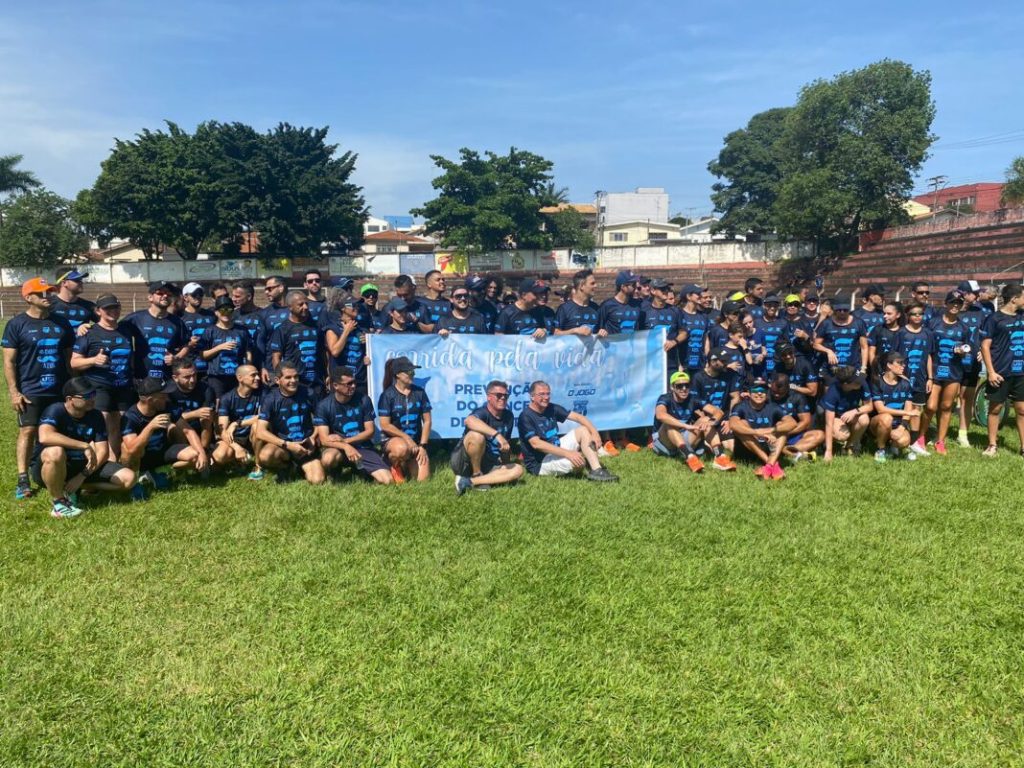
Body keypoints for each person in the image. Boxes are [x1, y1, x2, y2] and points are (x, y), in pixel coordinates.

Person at [3, 277, 75, 500]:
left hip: (59, 390)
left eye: (50, 292)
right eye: (42, 293)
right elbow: (9, 362)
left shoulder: (62, 323)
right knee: (28, 431)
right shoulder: (17, 325)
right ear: (28, 298)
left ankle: (56, 470)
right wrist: (15, 392)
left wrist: (72, 387)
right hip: (31, 390)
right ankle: (23, 478)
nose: (48, 297)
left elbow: (69, 358)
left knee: (57, 433)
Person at [31, 377, 135, 517]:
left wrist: (82, 476)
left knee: (129, 478)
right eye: (86, 396)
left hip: (80, 466)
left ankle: (74, 488)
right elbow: (45, 436)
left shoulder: (96, 415)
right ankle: (59, 503)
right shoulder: (55, 410)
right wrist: (83, 445)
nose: (92, 399)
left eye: (93, 395)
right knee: (55, 451)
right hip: (50, 466)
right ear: (70, 399)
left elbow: (103, 452)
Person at [70, 293, 134, 459]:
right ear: (98, 311)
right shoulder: (89, 332)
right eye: (107, 308)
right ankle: (93, 464)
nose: (112, 311)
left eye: (115, 307)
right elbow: (74, 362)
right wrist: (93, 360)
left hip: (123, 386)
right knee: (102, 427)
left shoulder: (126, 329)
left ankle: (112, 462)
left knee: (118, 426)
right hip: (99, 386)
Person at [517, 380, 618, 481]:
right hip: (540, 462)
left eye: (548, 394)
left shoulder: (551, 407)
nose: (546, 397)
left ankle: (597, 471)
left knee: (583, 430)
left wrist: (595, 433)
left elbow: (579, 417)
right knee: (579, 463)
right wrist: (568, 453)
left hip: (556, 448)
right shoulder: (525, 416)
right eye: (541, 394)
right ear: (532, 396)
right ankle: (585, 460)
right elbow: (536, 444)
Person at [121, 377, 206, 492]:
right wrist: (150, 427)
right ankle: (135, 483)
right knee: (126, 447)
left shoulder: (166, 406)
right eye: (162, 396)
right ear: (150, 400)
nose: (167, 398)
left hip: (163, 451)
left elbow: (188, 431)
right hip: (142, 458)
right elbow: (131, 449)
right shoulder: (130, 417)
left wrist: (202, 453)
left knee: (194, 455)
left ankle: (164, 471)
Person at [315, 367, 392, 485]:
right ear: (335, 385)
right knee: (328, 458)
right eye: (349, 384)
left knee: (388, 480)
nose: (353, 386)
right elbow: (324, 440)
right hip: (338, 449)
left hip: (363, 448)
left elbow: (370, 431)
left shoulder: (364, 400)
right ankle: (334, 472)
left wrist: (346, 441)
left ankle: (359, 468)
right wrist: (345, 447)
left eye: (354, 382)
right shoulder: (324, 405)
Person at [255, 361, 326, 484]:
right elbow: (260, 432)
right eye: (288, 377)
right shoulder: (270, 398)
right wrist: (287, 445)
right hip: (284, 447)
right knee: (265, 456)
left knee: (317, 480)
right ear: (277, 380)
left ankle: (299, 467)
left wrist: (313, 437)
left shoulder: (309, 393)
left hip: (306, 446)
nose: (293, 380)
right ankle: (286, 467)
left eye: (296, 376)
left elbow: (321, 421)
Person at [450, 379, 525, 494]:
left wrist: (505, 461)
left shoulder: (508, 416)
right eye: (499, 395)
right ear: (489, 397)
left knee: (518, 469)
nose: (503, 398)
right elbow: (469, 420)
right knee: (476, 436)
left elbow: (505, 448)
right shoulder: (482, 412)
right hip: (465, 462)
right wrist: (496, 434)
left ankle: (469, 481)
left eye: (506, 395)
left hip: (490, 463)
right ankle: (476, 473)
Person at [922, 290, 972, 455]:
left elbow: (967, 349)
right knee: (930, 407)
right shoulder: (933, 323)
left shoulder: (964, 328)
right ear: (946, 303)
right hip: (935, 371)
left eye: (959, 303)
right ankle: (920, 437)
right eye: (952, 302)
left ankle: (940, 441)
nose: (955, 306)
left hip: (953, 372)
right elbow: (926, 348)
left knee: (947, 406)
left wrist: (964, 352)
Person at [979, 283, 1024, 457]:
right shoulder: (994, 319)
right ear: (1014, 299)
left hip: (1020, 372)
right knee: (995, 409)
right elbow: (985, 346)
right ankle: (992, 445)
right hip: (1000, 372)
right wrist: (990, 372)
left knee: (1021, 409)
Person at [377, 356, 432, 483]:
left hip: (416, 443)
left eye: (413, 372)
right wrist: (406, 439)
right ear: (398, 375)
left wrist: (423, 446)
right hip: (393, 441)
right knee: (401, 449)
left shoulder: (420, 393)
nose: (413, 374)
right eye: (409, 372)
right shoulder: (387, 395)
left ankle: (406, 463)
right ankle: (393, 463)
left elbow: (427, 421)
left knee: (423, 481)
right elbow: (385, 425)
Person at [729, 377, 797, 479]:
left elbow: (792, 423)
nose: (759, 393)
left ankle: (768, 466)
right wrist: (757, 432)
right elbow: (733, 424)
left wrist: (771, 431)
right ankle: (772, 464)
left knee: (782, 428)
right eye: (756, 390)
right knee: (742, 424)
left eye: (763, 391)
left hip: (767, 446)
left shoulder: (773, 407)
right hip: (746, 452)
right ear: (749, 392)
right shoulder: (740, 406)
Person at [121, 281, 189, 381]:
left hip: (168, 380)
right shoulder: (136, 318)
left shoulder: (177, 322)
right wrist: (89, 328)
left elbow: (186, 346)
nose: (165, 296)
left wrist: (176, 358)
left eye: (168, 294)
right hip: (142, 378)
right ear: (150, 297)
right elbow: (113, 329)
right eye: (160, 293)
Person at [268, 290, 326, 396]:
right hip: (296, 383)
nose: (305, 307)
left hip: (317, 383)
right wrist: (282, 379)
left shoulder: (316, 326)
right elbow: (276, 356)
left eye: (307, 303)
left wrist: (328, 375)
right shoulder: (282, 329)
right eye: (300, 304)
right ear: (290, 307)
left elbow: (324, 353)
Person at [651, 371, 711, 473]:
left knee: (705, 419)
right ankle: (690, 457)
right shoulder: (665, 398)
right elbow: (660, 415)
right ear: (672, 387)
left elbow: (717, 412)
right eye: (679, 386)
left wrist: (710, 421)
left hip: (683, 437)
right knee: (669, 423)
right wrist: (686, 426)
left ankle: (720, 456)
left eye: (686, 385)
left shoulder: (693, 398)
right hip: (665, 442)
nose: (684, 389)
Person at [689, 348, 738, 470]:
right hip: (704, 419)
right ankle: (717, 455)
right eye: (723, 361)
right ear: (712, 361)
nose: (726, 363)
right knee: (707, 422)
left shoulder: (730, 375)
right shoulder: (698, 377)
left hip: (723, 419)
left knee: (732, 447)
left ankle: (709, 442)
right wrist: (705, 419)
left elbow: (735, 397)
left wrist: (731, 419)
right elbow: (694, 404)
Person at [212, 365, 264, 478]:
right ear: (240, 378)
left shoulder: (262, 394)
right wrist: (237, 447)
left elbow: (263, 418)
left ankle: (258, 466)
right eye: (253, 375)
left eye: (258, 374)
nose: (258, 378)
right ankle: (236, 459)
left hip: (254, 437)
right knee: (219, 456)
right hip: (235, 439)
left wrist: (237, 423)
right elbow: (222, 429)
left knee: (257, 425)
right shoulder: (227, 398)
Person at [899, 301, 935, 456]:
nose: (917, 316)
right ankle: (899, 440)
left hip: (921, 378)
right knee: (903, 409)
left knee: (917, 409)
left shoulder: (928, 334)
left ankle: (914, 442)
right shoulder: (901, 333)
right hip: (903, 378)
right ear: (908, 316)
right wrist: (900, 376)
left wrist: (930, 378)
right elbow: (895, 358)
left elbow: (928, 357)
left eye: (920, 314)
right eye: (914, 314)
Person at [163, 357, 217, 459]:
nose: (192, 380)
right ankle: (186, 452)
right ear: (175, 377)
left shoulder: (205, 389)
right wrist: (194, 414)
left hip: (199, 427)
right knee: (172, 426)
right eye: (187, 377)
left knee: (207, 417)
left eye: (194, 375)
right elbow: (168, 418)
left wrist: (199, 414)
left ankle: (204, 451)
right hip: (179, 430)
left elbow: (207, 412)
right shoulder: (168, 391)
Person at [200, 295, 252, 400]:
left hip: (237, 376)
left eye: (229, 309)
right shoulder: (210, 331)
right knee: (218, 407)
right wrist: (219, 348)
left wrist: (248, 369)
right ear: (216, 312)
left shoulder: (241, 330)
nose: (226, 313)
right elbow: (203, 355)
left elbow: (248, 352)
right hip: (217, 377)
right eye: (222, 310)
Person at [869, 351, 917, 462]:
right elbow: (881, 409)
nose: (903, 365)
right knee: (886, 418)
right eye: (899, 363)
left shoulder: (906, 383)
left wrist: (902, 427)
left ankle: (892, 448)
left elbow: (908, 407)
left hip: (897, 424)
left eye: (903, 363)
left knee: (904, 441)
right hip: (878, 423)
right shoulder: (877, 382)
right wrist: (907, 413)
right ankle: (881, 449)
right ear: (889, 365)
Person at [956, 279, 988, 446]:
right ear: (962, 294)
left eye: (977, 293)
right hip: (952, 362)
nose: (976, 296)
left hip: (972, 362)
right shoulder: (951, 310)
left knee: (967, 397)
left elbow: (989, 336)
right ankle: (937, 431)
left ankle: (963, 434)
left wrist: (983, 351)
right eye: (972, 293)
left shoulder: (982, 312)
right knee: (945, 400)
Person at [769, 372, 824, 461]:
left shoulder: (797, 397)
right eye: (774, 392)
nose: (776, 395)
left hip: (792, 433)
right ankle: (793, 454)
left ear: (788, 388)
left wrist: (786, 432)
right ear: (771, 385)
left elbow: (806, 422)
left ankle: (785, 450)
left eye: (781, 393)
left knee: (819, 435)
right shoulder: (765, 396)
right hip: (771, 434)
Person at [323, 294, 370, 398]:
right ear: (343, 308)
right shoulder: (332, 329)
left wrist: (368, 356)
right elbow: (335, 352)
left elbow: (369, 353)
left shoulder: (362, 330)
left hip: (359, 382)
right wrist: (346, 332)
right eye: (353, 305)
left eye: (357, 305)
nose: (356, 307)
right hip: (341, 383)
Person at [821, 366, 872, 461]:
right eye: (857, 381)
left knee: (864, 419)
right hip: (836, 417)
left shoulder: (862, 383)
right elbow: (829, 423)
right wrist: (828, 451)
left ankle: (848, 446)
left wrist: (855, 411)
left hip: (852, 414)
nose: (861, 382)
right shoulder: (832, 392)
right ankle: (826, 444)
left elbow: (869, 406)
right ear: (846, 384)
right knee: (842, 435)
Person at [814, 301, 868, 377]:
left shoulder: (859, 323)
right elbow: (816, 344)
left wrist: (863, 368)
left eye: (845, 310)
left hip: (853, 368)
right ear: (834, 310)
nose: (842, 312)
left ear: (849, 309)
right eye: (839, 310)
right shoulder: (826, 323)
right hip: (832, 368)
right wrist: (828, 351)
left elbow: (864, 347)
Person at [642, 279, 686, 373]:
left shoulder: (675, 311)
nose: (666, 291)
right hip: (650, 363)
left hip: (671, 363)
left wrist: (674, 342)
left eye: (667, 288)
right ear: (653, 291)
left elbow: (684, 333)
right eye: (662, 289)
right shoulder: (644, 311)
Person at [259, 275, 292, 383]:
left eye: (270, 289)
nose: (266, 292)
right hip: (271, 370)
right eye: (265, 289)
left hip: (294, 368)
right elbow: (261, 342)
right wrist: (262, 367)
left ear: (281, 288)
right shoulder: (264, 313)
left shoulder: (296, 309)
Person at [554, 269, 604, 337]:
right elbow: (555, 333)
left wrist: (602, 333)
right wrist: (574, 331)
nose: (596, 286)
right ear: (582, 286)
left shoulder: (596, 308)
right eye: (592, 283)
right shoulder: (564, 309)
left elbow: (599, 331)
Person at [180, 282, 216, 378]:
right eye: (194, 295)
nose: (198, 297)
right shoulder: (179, 317)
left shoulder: (211, 315)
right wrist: (189, 343)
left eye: (200, 294)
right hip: (190, 366)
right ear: (185, 297)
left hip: (210, 365)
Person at [677, 283, 710, 376]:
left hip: (700, 363)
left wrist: (707, 360)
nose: (701, 296)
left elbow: (706, 339)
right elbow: (675, 340)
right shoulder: (679, 314)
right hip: (684, 364)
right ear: (688, 296)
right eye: (698, 294)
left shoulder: (704, 316)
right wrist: (678, 364)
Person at [50, 268, 96, 333]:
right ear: (64, 283)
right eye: (77, 280)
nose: (81, 282)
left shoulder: (88, 306)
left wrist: (91, 327)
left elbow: (105, 325)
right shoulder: (49, 304)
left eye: (81, 280)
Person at [598, 270, 643, 335]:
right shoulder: (607, 305)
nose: (635, 287)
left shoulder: (638, 304)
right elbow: (597, 328)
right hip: (613, 344)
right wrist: (600, 332)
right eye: (633, 285)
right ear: (623, 287)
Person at [753, 294, 788, 376]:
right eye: (769, 305)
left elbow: (787, 342)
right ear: (764, 306)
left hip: (777, 363)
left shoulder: (783, 322)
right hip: (761, 363)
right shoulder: (756, 322)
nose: (772, 308)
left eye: (775, 306)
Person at [867, 301, 904, 371]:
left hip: (897, 369)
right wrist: (874, 369)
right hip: (879, 368)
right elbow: (871, 351)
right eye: (884, 313)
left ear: (898, 315)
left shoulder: (903, 331)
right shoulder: (877, 329)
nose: (885, 316)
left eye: (889, 314)